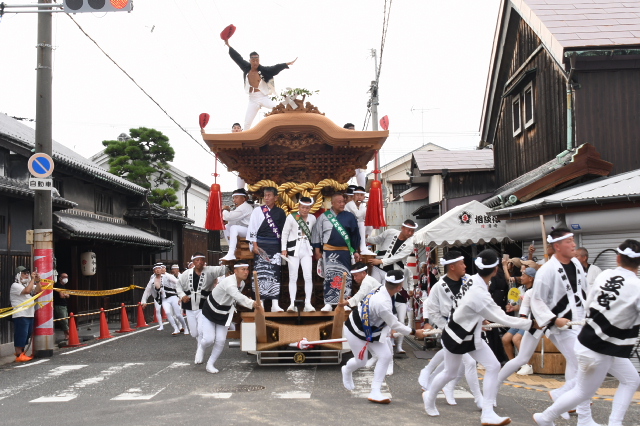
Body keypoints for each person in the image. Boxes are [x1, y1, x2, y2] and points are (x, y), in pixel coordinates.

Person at [534, 239, 640, 426]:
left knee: (631, 380)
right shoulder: (636, 287)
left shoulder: (604, 274)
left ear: (617, 258)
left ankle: (613, 422)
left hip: (592, 341)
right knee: (582, 391)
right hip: (600, 348)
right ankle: (545, 417)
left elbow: (588, 302)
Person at [422, 249, 534, 425]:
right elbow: (501, 317)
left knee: (493, 365)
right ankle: (429, 396)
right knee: (450, 373)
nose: (464, 266)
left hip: (472, 335)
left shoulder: (472, 279)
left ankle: (487, 412)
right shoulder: (476, 290)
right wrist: (530, 324)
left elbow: (470, 307)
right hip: (455, 335)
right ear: (495, 270)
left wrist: (480, 318)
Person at [530, 228, 598, 426]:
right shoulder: (546, 270)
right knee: (585, 365)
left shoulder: (576, 263)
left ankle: (565, 399)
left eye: (573, 240)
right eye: (569, 241)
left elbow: (584, 291)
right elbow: (537, 300)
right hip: (561, 327)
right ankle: (577, 411)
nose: (574, 244)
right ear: (557, 246)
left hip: (580, 320)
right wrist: (553, 319)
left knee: (579, 366)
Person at [342, 270, 425, 403]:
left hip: (372, 329)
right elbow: (395, 324)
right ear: (399, 287)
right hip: (355, 329)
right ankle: (346, 370)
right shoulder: (382, 303)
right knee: (361, 361)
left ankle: (375, 391)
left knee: (385, 356)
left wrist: (387, 330)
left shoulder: (381, 288)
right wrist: (415, 332)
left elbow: (387, 320)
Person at [419, 251, 483, 408]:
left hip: (469, 329)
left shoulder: (469, 281)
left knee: (456, 366)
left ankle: (445, 386)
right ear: (452, 267)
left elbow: (477, 302)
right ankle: (479, 399)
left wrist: (481, 318)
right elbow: (431, 308)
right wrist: (444, 326)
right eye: (462, 263)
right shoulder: (438, 287)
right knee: (468, 362)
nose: (465, 266)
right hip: (451, 330)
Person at [198, 263, 262, 373]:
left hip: (225, 312)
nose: (246, 272)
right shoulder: (229, 282)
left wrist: (251, 302)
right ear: (235, 271)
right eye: (243, 269)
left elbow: (235, 298)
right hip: (211, 310)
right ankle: (201, 348)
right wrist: (252, 303)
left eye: (247, 269)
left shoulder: (241, 283)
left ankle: (210, 364)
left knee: (221, 340)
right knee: (208, 339)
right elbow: (237, 295)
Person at [225, 40, 297, 130]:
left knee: (279, 109)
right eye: (253, 60)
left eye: (257, 60)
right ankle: (245, 138)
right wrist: (228, 45)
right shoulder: (246, 67)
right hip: (252, 99)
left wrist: (285, 64)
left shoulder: (263, 70)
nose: (255, 62)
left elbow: (274, 68)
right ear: (250, 61)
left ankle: (290, 125)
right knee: (247, 123)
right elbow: (237, 58)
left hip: (263, 97)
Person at [312, 192, 361, 311]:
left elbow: (355, 235)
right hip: (329, 252)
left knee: (346, 277)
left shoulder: (349, 216)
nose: (342, 204)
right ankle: (328, 303)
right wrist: (317, 250)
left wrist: (355, 251)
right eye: (339, 202)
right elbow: (317, 234)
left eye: (343, 202)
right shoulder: (324, 217)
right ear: (332, 203)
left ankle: (344, 302)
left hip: (345, 252)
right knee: (329, 276)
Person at [247, 186, 286, 312]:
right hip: (261, 245)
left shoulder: (280, 212)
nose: (266, 198)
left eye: (269, 195)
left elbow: (283, 232)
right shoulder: (257, 211)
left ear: (276, 197)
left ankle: (275, 303)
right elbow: (252, 228)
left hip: (275, 246)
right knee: (260, 273)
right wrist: (255, 245)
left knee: (275, 273)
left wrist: (283, 248)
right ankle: (261, 302)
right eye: (265, 196)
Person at [498, 267, 539, 380]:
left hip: (531, 321)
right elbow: (522, 306)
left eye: (524, 275)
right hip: (521, 320)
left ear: (531, 278)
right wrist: (513, 308)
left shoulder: (536, 291)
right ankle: (514, 364)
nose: (521, 277)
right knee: (505, 338)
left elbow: (535, 307)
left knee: (516, 339)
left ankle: (527, 365)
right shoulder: (521, 289)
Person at [177, 252, 228, 344]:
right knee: (194, 333)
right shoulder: (186, 273)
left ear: (204, 261)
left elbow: (224, 269)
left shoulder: (210, 270)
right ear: (193, 262)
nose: (200, 262)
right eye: (197, 260)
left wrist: (229, 261)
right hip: (189, 306)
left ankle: (200, 350)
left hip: (204, 306)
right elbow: (178, 285)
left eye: (202, 260)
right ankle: (200, 346)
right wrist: (182, 296)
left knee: (201, 330)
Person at [281, 196, 316, 312]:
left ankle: (308, 303)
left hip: (307, 250)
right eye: (303, 207)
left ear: (310, 208)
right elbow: (285, 233)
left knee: (308, 276)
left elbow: (314, 233)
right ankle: (292, 304)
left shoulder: (313, 218)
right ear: (299, 207)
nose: (305, 210)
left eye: (307, 208)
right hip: (293, 250)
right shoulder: (291, 217)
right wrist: (283, 249)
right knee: (293, 276)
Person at [366, 219, 417, 284]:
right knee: (374, 287)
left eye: (412, 231)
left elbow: (396, 258)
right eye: (408, 230)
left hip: (392, 271)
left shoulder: (410, 245)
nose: (410, 233)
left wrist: (381, 261)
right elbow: (377, 240)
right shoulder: (390, 232)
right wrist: (366, 238)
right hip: (377, 267)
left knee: (386, 289)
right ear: (402, 228)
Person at [141, 264, 188, 335]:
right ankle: (175, 329)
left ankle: (185, 327)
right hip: (164, 299)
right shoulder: (152, 280)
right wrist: (143, 301)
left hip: (173, 296)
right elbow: (147, 291)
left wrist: (183, 294)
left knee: (178, 314)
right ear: (154, 271)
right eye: (156, 269)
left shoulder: (167, 276)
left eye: (159, 268)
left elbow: (177, 282)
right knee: (168, 313)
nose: (158, 270)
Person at [10, 266, 42, 362]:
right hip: (20, 314)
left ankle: (22, 353)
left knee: (27, 334)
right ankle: (19, 354)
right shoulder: (15, 285)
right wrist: (32, 280)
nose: (27, 275)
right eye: (24, 273)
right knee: (21, 334)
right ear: (19, 275)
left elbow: (38, 290)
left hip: (29, 313)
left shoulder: (27, 284)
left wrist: (37, 281)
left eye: (28, 273)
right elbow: (27, 291)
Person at [220, 188, 254, 261]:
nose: (234, 200)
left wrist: (225, 210)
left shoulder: (245, 207)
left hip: (250, 231)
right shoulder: (239, 208)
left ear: (243, 199)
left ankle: (231, 253)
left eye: (236, 197)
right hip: (244, 229)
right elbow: (232, 221)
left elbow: (228, 217)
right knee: (226, 226)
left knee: (234, 228)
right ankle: (232, 250)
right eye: (233, 198)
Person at [345, 186, 375, 255]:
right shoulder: (350, 204)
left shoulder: (362, 206)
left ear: (364, 197)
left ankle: (365, 241)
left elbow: (366, 218)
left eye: (361, 195)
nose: (359, 197)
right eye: (357, 195)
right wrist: (367, 207)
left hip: (356, 228)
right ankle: (362, 247)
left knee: (368, 224)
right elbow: (358, 215)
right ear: (353, 196)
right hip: (348, 227)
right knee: (362, 223)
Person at [53, 272, 71, 340]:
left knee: (65, 320)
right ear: (60, 278)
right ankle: (69, 335)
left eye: (67, 277)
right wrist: (65, 295)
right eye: (64, 277)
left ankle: (67, 336)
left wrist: (65, 295)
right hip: (59, 305)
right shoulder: (58, 285)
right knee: (64, 321)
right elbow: (61, 296)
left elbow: (68, 296)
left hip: (64, 305)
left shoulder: (63, 286)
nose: (66, 279)